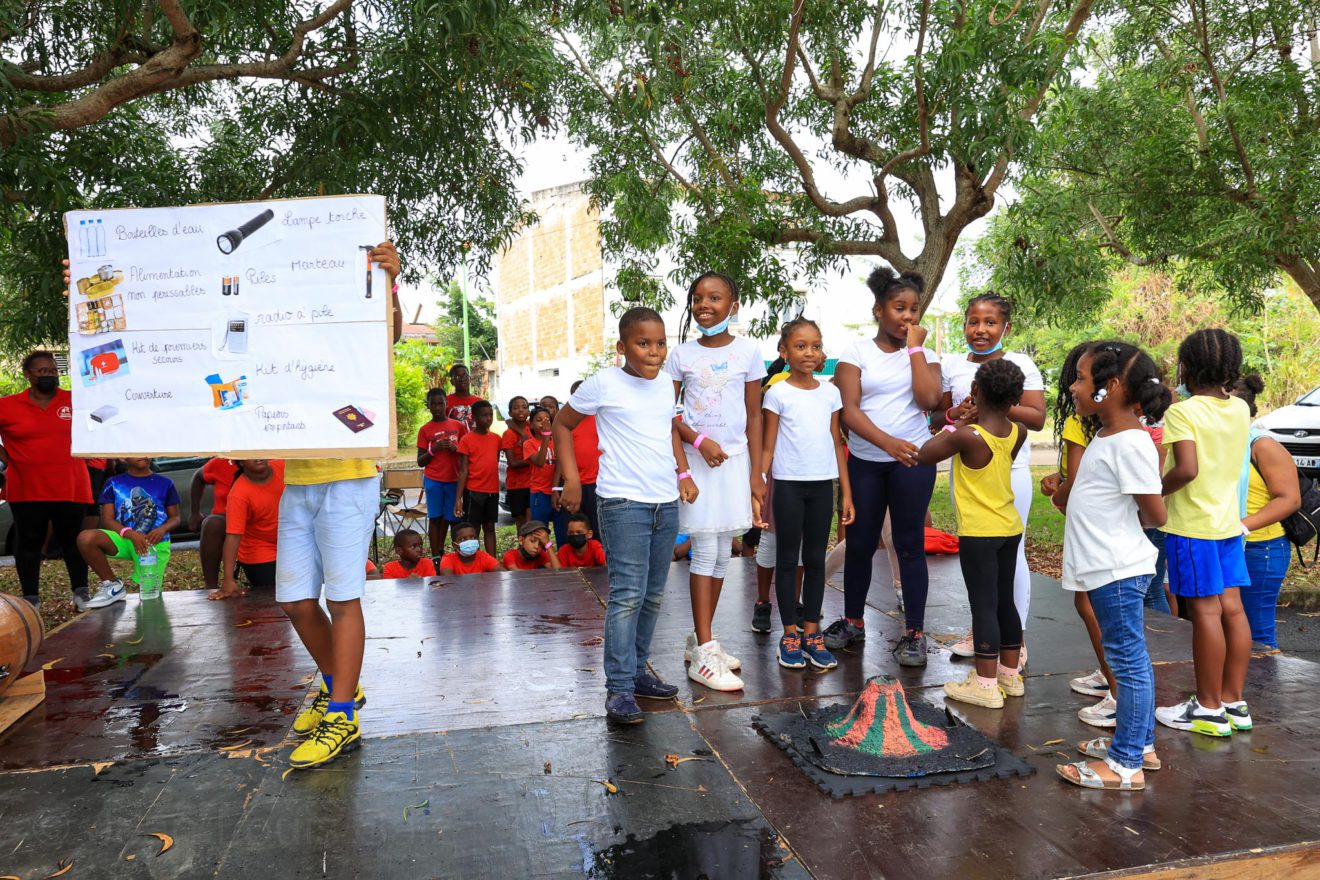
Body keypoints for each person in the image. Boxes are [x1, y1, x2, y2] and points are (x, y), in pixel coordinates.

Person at [278, 240, 402, 770]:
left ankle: (343, 715)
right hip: (298, 479)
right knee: (294, 600)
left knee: (343, 599)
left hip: (349, 478)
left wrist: (390, 284)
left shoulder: (352, 327)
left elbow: (387, 334)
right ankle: (338, 687)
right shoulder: (281, 329)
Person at [554, 306, 697, 725]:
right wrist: (571, 479)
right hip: (623, 502)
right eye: (643, 343)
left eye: (660, 343)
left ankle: (637, 673)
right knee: (628, 595)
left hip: (664, 502)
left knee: (652, 594)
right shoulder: (604, 383)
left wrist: (683, 473)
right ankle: (618, 688)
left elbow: (668, 431)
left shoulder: (666, 386)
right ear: (622, 346)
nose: (654, 352)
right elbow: (562, 424)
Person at [1056, 342, 1170, 791]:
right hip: (1106, 566)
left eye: (1082, 379)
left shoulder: (1131, 443)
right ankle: (1140, 746)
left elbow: (1156, 513)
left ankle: (1125, 765)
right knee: (1128, 660)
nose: (1074, 386)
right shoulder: (1108, 435)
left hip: (1117, 568)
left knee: (1127, 663)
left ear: (1113, 386)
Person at [828, 268, 942, 666]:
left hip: (912, 462)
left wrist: (915, 351)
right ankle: (853, 621)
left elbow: (929, 400)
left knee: (909, 545)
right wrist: (887, 443)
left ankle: (914, 633)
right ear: (879, 310)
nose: (908, 316)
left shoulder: (925, 355)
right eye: (899, 308)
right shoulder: (856, 352)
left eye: (914, 309)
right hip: (867, 462)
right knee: (860, 543)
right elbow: (849, 411)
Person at [665, 272, 766, 692]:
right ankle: (705, 652)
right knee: (705, 551)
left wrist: (757, 473)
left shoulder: (749, 352)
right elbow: (665, 411)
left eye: (714, 298)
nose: (704, 305)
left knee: (723, 551)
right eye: (697, 298)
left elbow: (755, 415)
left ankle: (701, 640)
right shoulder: (680, 355)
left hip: (735, 462)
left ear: (733, 305)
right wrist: (697, 443)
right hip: (698, 463)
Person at [935, 293, 1046, 661]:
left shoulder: (1020, 363)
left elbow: (1037, 417)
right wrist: (957, 412)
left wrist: (991, 405)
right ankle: (982, 631)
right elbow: (938, 417)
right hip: (969, 471)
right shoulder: (952, 364)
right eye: (973, 322)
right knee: (978, 556)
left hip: (1010, 471)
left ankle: (1017, 639)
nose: (980, 330)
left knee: (1011, 555)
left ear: (1006, 328)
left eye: (990, 323)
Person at [1155, 329, 1253, 738]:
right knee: (1233, 610)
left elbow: (1187, 469)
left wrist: (1155, 492)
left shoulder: (1183, 412)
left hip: (1193, 527)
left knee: (1206, 614)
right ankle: (1233, 703)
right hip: (1227, 524)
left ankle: (1208, 710)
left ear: (1186, 366)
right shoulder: (1240, 408)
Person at [918, 359, 1027, 707]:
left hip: (980, 532)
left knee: (983, 605)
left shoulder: (968, 436)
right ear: (1016, 397)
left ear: (975, 390)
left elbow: (925, 454)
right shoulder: (1018, 431)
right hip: (1009, 527)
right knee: (1004, 601)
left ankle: (984, 685)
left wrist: (958, 423)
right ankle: (1009, 676)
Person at [757, 317, 853, 672]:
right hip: (788, 486)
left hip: (822, 486)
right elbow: (768, 447)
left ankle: (812, 634)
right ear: (784, 351)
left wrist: (846, 492)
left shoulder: (830, 393)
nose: (809, 352)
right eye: (800, 346)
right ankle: (789, 635)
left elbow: (837, 442)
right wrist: (759, 485)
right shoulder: (777, 394)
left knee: (815, 561)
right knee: (787, 560)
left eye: (816, 345)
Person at [1040, 344, 1118, 728]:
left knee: (1089, 604)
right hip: (1115, 525)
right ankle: (1109, 675)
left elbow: (1076, 479)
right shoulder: (1122, 426)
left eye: (1079, 379)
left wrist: (1058, 494)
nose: (1072, 387)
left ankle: (1117, 690)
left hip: (1089, 526)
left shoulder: (1077, 423)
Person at [0, 351, 94, 611]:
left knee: (73, 541)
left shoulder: (75, 401)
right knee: (28, 543)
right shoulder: (7, 405)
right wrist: (8, 458)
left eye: (52, 371)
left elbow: (102, 423)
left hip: (71, 485)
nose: (49, 375)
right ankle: (31, 598)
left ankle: (81, 592)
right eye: (42, 371)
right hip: (26, 488)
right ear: (27, 375)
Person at [1232, 375, 1301, 649]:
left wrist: (1242, 525)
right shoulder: (1219, 443)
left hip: (1261, 549)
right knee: (1228, 629)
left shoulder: (1262, 446)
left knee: (1257, 634)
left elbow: (1289, 499)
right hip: (1226, 544)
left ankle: (1266, 678)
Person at [77, 457, 182, 606]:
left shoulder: (165, 483)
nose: (142, 455)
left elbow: (175, 517)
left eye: (146, 450)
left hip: (153, 544)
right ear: (124, 456)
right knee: (86, 538)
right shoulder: (113, 483)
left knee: (149, 596)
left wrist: (162, 529)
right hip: (125, 538)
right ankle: (112, 585)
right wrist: (131, 534)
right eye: (136, 451)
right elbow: (108, 519)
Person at [209, 459, 286, 599]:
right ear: (240, 462)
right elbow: (233, 536)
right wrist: (228, 579)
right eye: (250, 455)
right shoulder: (238, 494)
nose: (257, 457)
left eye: (259, 451)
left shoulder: (284, 466)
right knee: (272, 598)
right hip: (260, 549)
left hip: (292, 542)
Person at [417, 388, 468, 556]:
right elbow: (420, 461)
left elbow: (467, 452)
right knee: (436, 518)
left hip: (454, 480)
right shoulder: (425, 430)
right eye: (433, 404)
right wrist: (434, 449)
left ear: (447, 404)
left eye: (441, 403)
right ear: (428, 406)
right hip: (434, 480)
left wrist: (456, 448)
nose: (437, 407)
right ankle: (436, 556)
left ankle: (458, 555)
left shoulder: (459, 426)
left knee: (454, 519)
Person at [553, 379, 602, 535]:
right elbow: (560, 457)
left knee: (597, 529)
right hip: (572, 485)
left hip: (596, 484)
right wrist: (556, 488)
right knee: (572, 530)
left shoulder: (600, 418)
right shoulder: (565, 421)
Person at [454, 400, 502, 556]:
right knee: (473, 529)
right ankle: (473, 559)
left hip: (492, 491)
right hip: (473, 491)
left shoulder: (496, 439)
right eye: (484, 415)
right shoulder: (467, 439)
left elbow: (493, 461)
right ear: (474, 417)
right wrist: (459, 498)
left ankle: (491, 560)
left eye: (490, 415)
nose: (488, 418)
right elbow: (463, 470)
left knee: (490, 527)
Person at [190, 456, 239, 593]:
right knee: (212, 524)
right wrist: (195, 512)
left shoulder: (273, 462)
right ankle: (211, 587)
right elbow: (198, 477)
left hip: (259, 521)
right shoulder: (222, 462)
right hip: (228, 519)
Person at [523, 407, 558, 533]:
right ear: (531, 425)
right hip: (540, 492)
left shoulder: (557, 441)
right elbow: (539, 462)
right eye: (539, 420)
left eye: (547, 419)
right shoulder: (529, 444)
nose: (544, 423)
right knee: (540, 529)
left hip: (557, 491)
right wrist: (546, 437)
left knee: (561, 528)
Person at [501, 396, 533, 527]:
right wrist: (535, 460)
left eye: (524, 407)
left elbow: (509, 421)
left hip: (534, 483)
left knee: (533, 519)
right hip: (517, 485)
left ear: (529, 411)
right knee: (521, 521)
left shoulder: (532, 427)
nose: (521, 410)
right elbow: (513, 463)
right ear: (510, 412)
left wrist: (523, 435)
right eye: (516, 408)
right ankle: (522, 541)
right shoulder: (508, 434)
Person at [439, 521, 504, 575]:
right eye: (463, 539)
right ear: (454, 545)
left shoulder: (483, 557)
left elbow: (503, 574)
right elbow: (447, 581)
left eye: (473, 537)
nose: (469, 541)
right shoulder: (448, 559)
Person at [445, 364, 481, 430]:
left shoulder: (479, 402)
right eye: (458, 377)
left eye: (465, 376)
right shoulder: (445, 401)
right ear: (452, 382)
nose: (462, 379)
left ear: (470, 379)